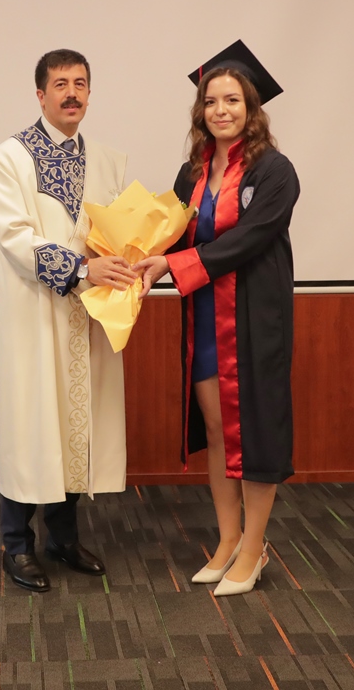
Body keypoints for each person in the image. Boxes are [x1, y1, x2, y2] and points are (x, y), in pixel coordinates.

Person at [134, 41, 299, 596]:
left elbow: (248, 239)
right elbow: (172, 234)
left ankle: (254, 547)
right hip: (205, 318)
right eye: (211, 101)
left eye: (232, 100)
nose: (220, 110)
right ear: (200, 110)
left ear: (252, 107)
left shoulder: (275, 171)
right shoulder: (193, 174)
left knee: (253, 433)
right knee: (216, 430)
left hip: (253, 320)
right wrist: (126, 254)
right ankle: (228, 541)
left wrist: (174, 264)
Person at [0, 48, 137, 593]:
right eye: (60, 84)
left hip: (89, 316)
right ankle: (16, 545)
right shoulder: (9, 158)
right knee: (32, 425)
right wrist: (81, 268)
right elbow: (15, 237)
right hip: (37, 316)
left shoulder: (108, 161)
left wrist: (132, 261)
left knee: (77, 426)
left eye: (80, 83)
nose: (71, 93)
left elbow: (117, 233)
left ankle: (64, 538)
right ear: (40, 94)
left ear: (90, 94)